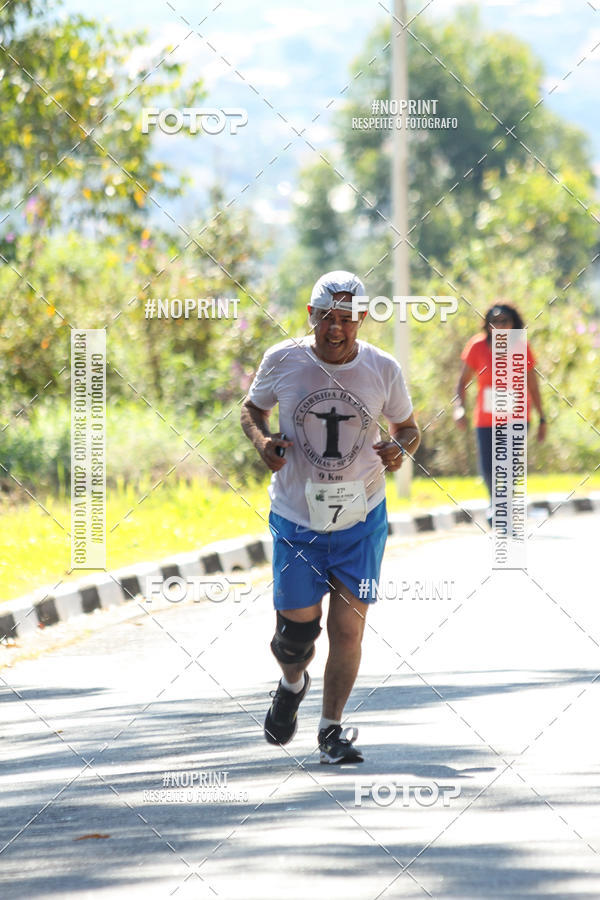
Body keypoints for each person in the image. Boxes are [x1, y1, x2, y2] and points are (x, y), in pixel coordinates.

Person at [240, 270, 420, 764]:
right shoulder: (283, 359)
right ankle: (291, 682)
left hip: (361, 518)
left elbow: (408, 429)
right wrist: (263, 443)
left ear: (362, 318)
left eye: (346, 319)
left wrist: (397, 449)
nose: (335, 328)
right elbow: (251, 410)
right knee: (295, 638)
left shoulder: (383, 369)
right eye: (326, 318)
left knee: (347, 630)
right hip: (297, 517)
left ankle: (331, 730)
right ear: (310, 316)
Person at [454, 304, 547, 505]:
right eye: (493, 321)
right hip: (486, 419)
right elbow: (462, 382)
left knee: (510, 464)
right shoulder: (477, 346)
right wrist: (459, 408)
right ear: (487, 325)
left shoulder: (522, 347)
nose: (499, 325)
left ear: (513, 324)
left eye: (504, 321)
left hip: (517, 416)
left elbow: (533, 384)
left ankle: (505, 504)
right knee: (488, 466)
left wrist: (542, 417)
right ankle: (494, 503)